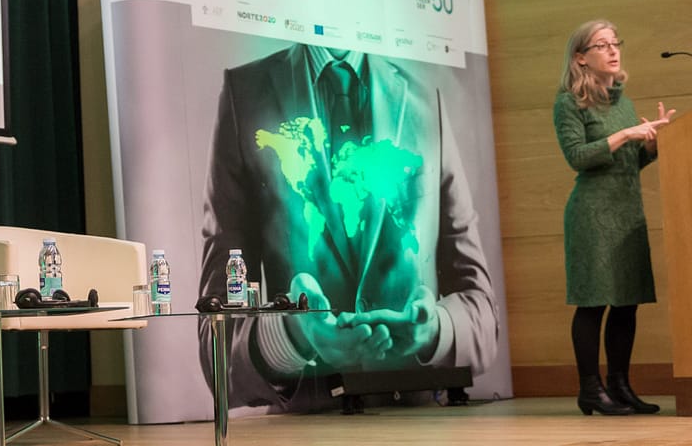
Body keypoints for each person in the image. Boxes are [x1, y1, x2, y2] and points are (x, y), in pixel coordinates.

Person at [199, 43, 499, 410]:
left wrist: (435, 328)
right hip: (308, 424)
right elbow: (215, 346)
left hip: (419, 419)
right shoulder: (244, 95)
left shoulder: (426, 100)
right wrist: (292, 335)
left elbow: (483, 314)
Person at [553, 19, 674, 415]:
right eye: (601, 45)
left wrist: (651, 147)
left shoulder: (623, 103)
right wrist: (625, 135)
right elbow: (578, 156)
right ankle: (591, 389)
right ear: (580, 57)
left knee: (627, 303)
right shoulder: (569, 102)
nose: (612, 50)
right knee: (594, 303)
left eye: (615, 43)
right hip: (592, 214)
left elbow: (628, 162)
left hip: (627, 212)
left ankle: (621, 386)